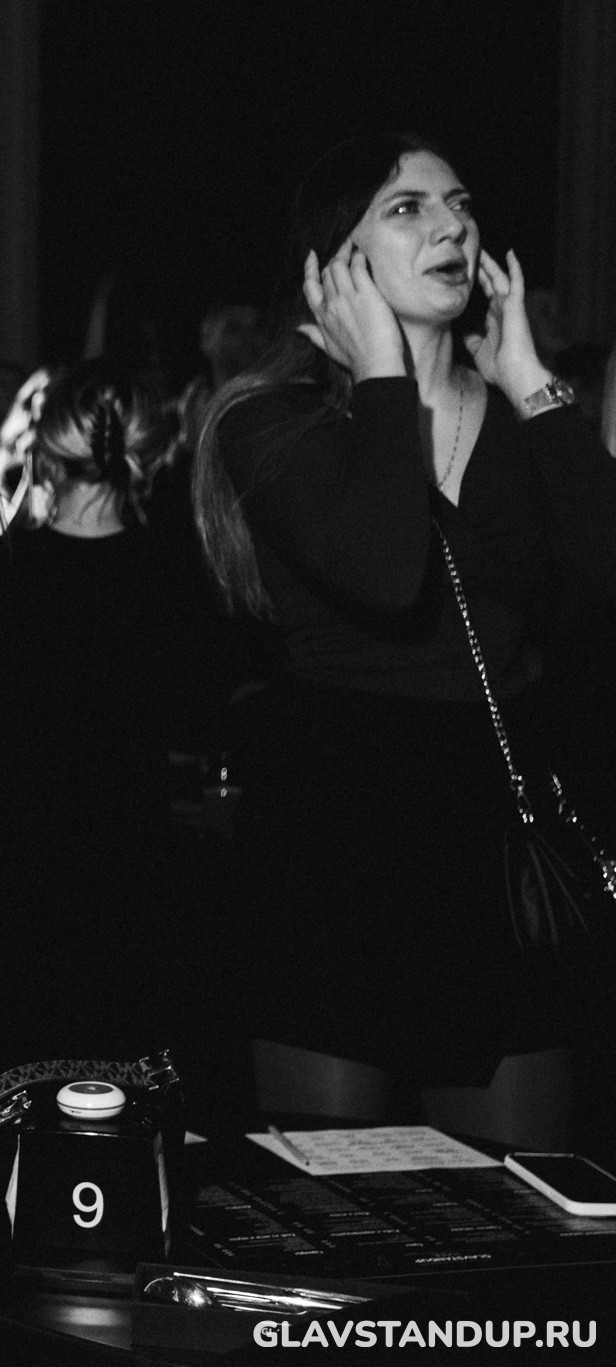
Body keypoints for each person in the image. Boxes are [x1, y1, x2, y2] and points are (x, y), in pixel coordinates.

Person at [193, 134, 616, 1149]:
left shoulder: (520, 421)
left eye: (459, 204)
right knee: (334, 1214)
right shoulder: (270, 421)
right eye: (406, 208)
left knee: (523, 1205)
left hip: (495, 858)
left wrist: (529, 378)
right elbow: (385, 572)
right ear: (332, 265)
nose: (450, 226)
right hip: (333, 846)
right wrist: (385, 373)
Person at [0, 361, 217, 1068]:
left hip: (25, 873)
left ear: (46, 452)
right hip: (136, 865)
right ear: (148, 453)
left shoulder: (4, 573)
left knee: (34, 1073)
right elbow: (196, 715)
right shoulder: (175, 575)